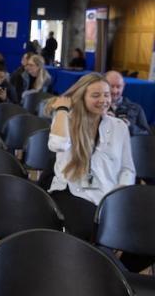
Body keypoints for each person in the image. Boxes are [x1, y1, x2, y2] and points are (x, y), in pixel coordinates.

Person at [45, 73, 135, 241]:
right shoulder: (66, 119)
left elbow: (127, 168)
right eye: (96, 95)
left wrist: (119, 195)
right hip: (72, 192)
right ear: (81, 97)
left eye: (106, 95)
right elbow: (58, 144)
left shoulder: (119, 127)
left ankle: (116, 266)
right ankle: (111, 266)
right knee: (93, 234)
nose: (103, 100)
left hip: (109, 193)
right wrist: (62, 110)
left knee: (146, 235)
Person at [104, 70, 151, 136]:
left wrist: (130, 127)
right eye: (111, 86)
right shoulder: (96, 107)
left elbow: (146, 133)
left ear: (123, 86)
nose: (115, 91)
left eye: (118, 87)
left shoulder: (136, 108)